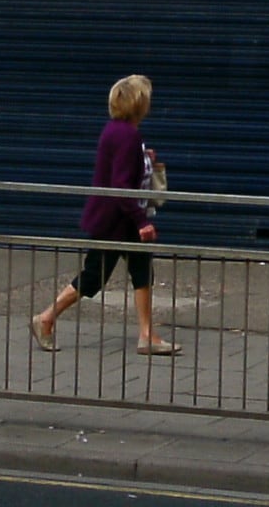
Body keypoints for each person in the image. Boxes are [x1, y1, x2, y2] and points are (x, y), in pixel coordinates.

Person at [31, 73, 180, 356]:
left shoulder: (118, 131)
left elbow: (121, 169)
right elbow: (121, 185)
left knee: (141, 269)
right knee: (93, 277)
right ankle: (45, 318)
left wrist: (143, 158)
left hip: (119, 218)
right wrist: (142, 222)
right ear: (139, 103)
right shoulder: (126, 135)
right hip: (116, 221)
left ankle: (147, 335)